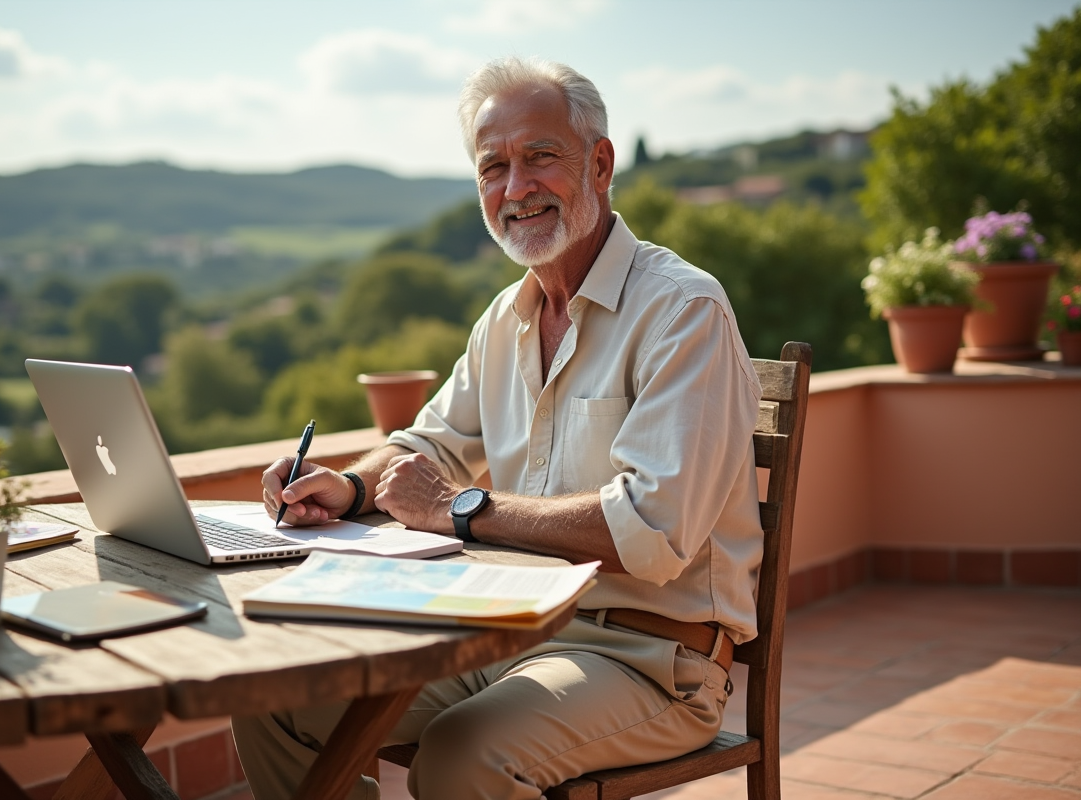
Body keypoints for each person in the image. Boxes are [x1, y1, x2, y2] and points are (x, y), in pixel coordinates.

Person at [232, 56, 764, 800]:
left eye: (540, 156)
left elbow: (652, 531)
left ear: (600, 164)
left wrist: (463, 509)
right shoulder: (504, 321)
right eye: (494, 167)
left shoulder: (682, 310)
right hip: (508, 633)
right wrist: (348, 487)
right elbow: (427, 446)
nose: (516, 188)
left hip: (648, 659)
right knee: (276, 698)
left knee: (463, 756)